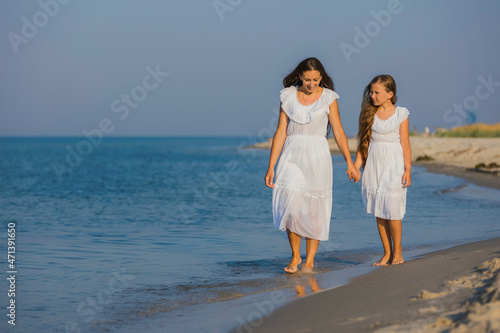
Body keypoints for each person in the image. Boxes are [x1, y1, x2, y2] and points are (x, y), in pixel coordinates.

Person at [264, 57, 359, 274]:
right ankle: (296, 255)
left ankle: (309, 261)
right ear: (300, 76)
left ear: (321, 78)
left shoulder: (329, 98)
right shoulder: (287, 96)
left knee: (315, 210)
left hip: (317, 155)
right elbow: (281, 131)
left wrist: (350, 162)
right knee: (289, 207)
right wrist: (271, 167)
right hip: (291, 154)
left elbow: (338, 131)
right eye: (307, 80)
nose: (312, 84)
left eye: (316, 80)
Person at [353, 74, 411, 266]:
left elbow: (405, 143)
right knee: (380, 210)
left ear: (389, 94)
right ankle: (387, 253)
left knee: (393, 210)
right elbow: (364, 143)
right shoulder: (369, 113)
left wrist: (407, 170)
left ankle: (398, 251)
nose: (373, 96)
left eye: (377, 92)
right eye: (371, 92)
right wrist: (356, 166)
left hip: (394, 164)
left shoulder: (401, 114)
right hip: (374, 164)